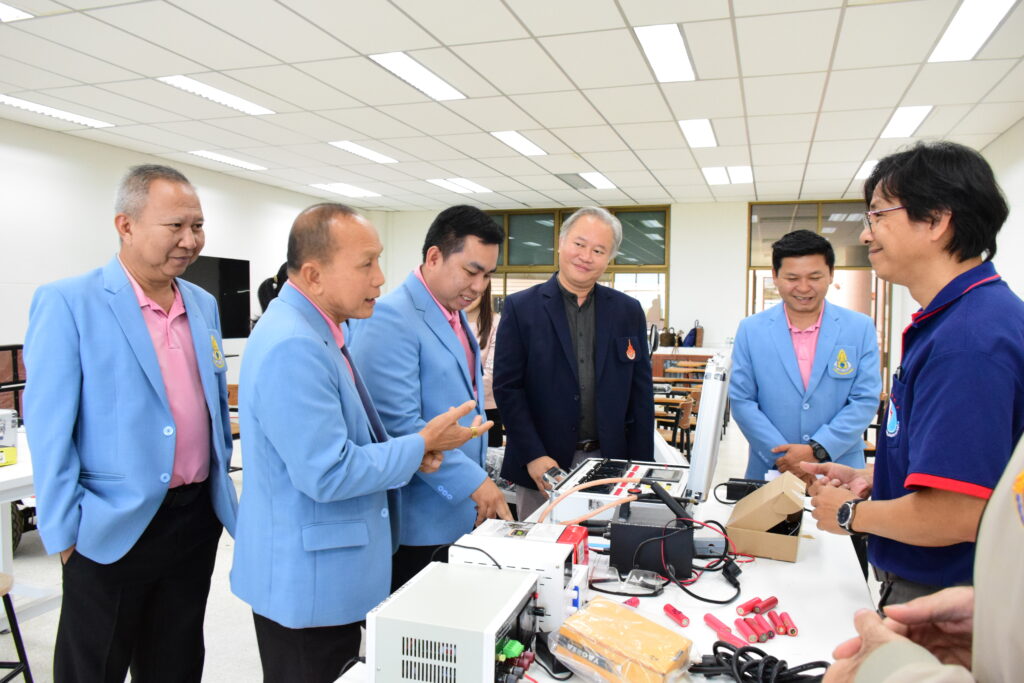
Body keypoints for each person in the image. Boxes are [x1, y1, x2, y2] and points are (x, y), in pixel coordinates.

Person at [231, 202, 490, 682]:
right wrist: (419, 446)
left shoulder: (320, 331)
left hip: (330, 572)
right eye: (366, 264)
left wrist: (417, 451)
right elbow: (328, 472)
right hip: (307, 582)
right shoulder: (294, 344)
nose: (380, 277)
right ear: (314, 275)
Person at [23, 164, 239, 681]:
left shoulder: (202, 304)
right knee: (93, 668)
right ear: (126, 225)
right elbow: (50, 428)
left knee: (176, 662)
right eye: (175, 226)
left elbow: (211, 405)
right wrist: (65, 535)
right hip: (110, 524)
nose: (191, 240)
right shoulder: (69, 302)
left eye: (198, 225)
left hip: (194, 519)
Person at [804, 140, 1024, 608]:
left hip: (947, 597)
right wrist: (875, 476)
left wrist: (849, 513)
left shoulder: (968, 341)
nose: (866, 235)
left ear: (937, 221)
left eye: (878, 215)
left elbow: (957, 514)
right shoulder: (960, 317)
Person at [349, 204, 512, 591]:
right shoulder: (391, 317)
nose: (479, 286)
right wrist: (474, 482)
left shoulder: (453, 315)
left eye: (488, 275)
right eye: (471, 271)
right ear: (434, 256)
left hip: (457, 510)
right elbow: (397, 425)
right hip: (417, 519)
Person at [820, 433, 1024, 682]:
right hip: (955, 612)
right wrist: (996, 620)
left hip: (931, 581)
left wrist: (850, 513)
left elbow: (959, 512)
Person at [494, 206, 655, 520]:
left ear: (609, 259)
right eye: (579, 244)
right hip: (542, 466)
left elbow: (640, 395)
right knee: (542, 544)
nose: (586, 256)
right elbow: (508, 389)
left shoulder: (627, 311)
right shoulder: (521, 308)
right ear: (561, 243)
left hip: (611, 463)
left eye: (598, 250)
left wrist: (642, 468)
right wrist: (533, 455)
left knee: (607, 544)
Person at [729, 229, 881, 482]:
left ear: (831, 274)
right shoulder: (751, 329)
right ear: (775, 276)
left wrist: (818, 449)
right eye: (792, 278)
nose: (803, 288)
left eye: (814, 277)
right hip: (771, 468)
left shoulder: (859, 327)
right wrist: (784, 457)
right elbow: (742, 401)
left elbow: (864, 399)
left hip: (839, 468)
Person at [465, 281, 504, 447]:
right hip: (452, 410)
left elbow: (491, 372)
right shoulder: (449, 321)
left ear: (484, 291)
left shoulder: (497, 323)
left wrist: (464, 400)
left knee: (488, 459)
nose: (467, 294)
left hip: (487, 409)